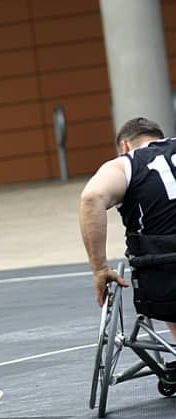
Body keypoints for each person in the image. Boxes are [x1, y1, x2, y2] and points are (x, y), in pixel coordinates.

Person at [79, 116, 176, 342]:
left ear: (124, 146)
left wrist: (100, 268)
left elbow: (91, 198)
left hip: (164, 271)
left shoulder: (125, 164)